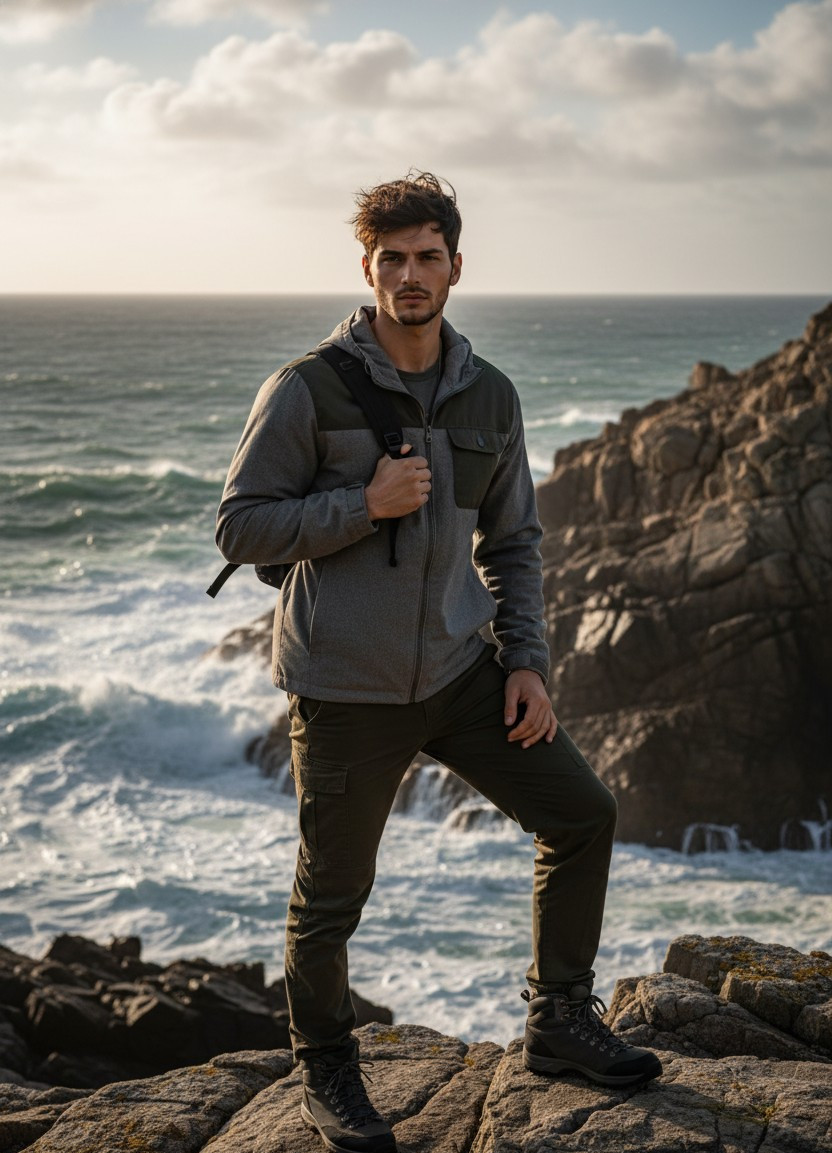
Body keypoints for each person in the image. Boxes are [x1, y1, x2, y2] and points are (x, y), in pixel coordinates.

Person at [216, 172, 661, 1153]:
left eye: (426, 256)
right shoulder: (307, 387)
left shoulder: (491, 396)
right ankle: (327, 1071)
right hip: (343, 690)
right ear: (366, 268)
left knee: (581, 812)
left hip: (462, 674)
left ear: (456, 265)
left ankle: (556, 1018)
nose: (409, 274)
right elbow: (240, 527)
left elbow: (514, 545)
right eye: (392, 259)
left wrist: (526, 664)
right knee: (330, 897)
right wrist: (358, 506)